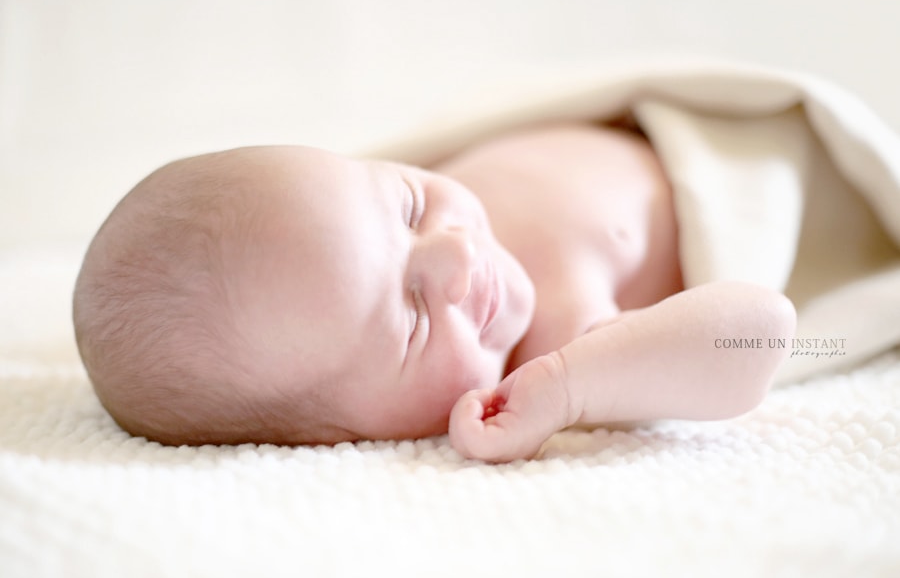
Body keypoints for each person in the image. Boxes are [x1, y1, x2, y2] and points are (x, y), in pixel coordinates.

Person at [72, 122, 796, 463]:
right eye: (412, 316)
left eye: (409, 205)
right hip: (760, 163)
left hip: (674, 115)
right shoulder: (569, 342)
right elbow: (762, 329)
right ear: (345, 435)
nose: (455, 255)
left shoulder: (351, 221)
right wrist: (574, 385)